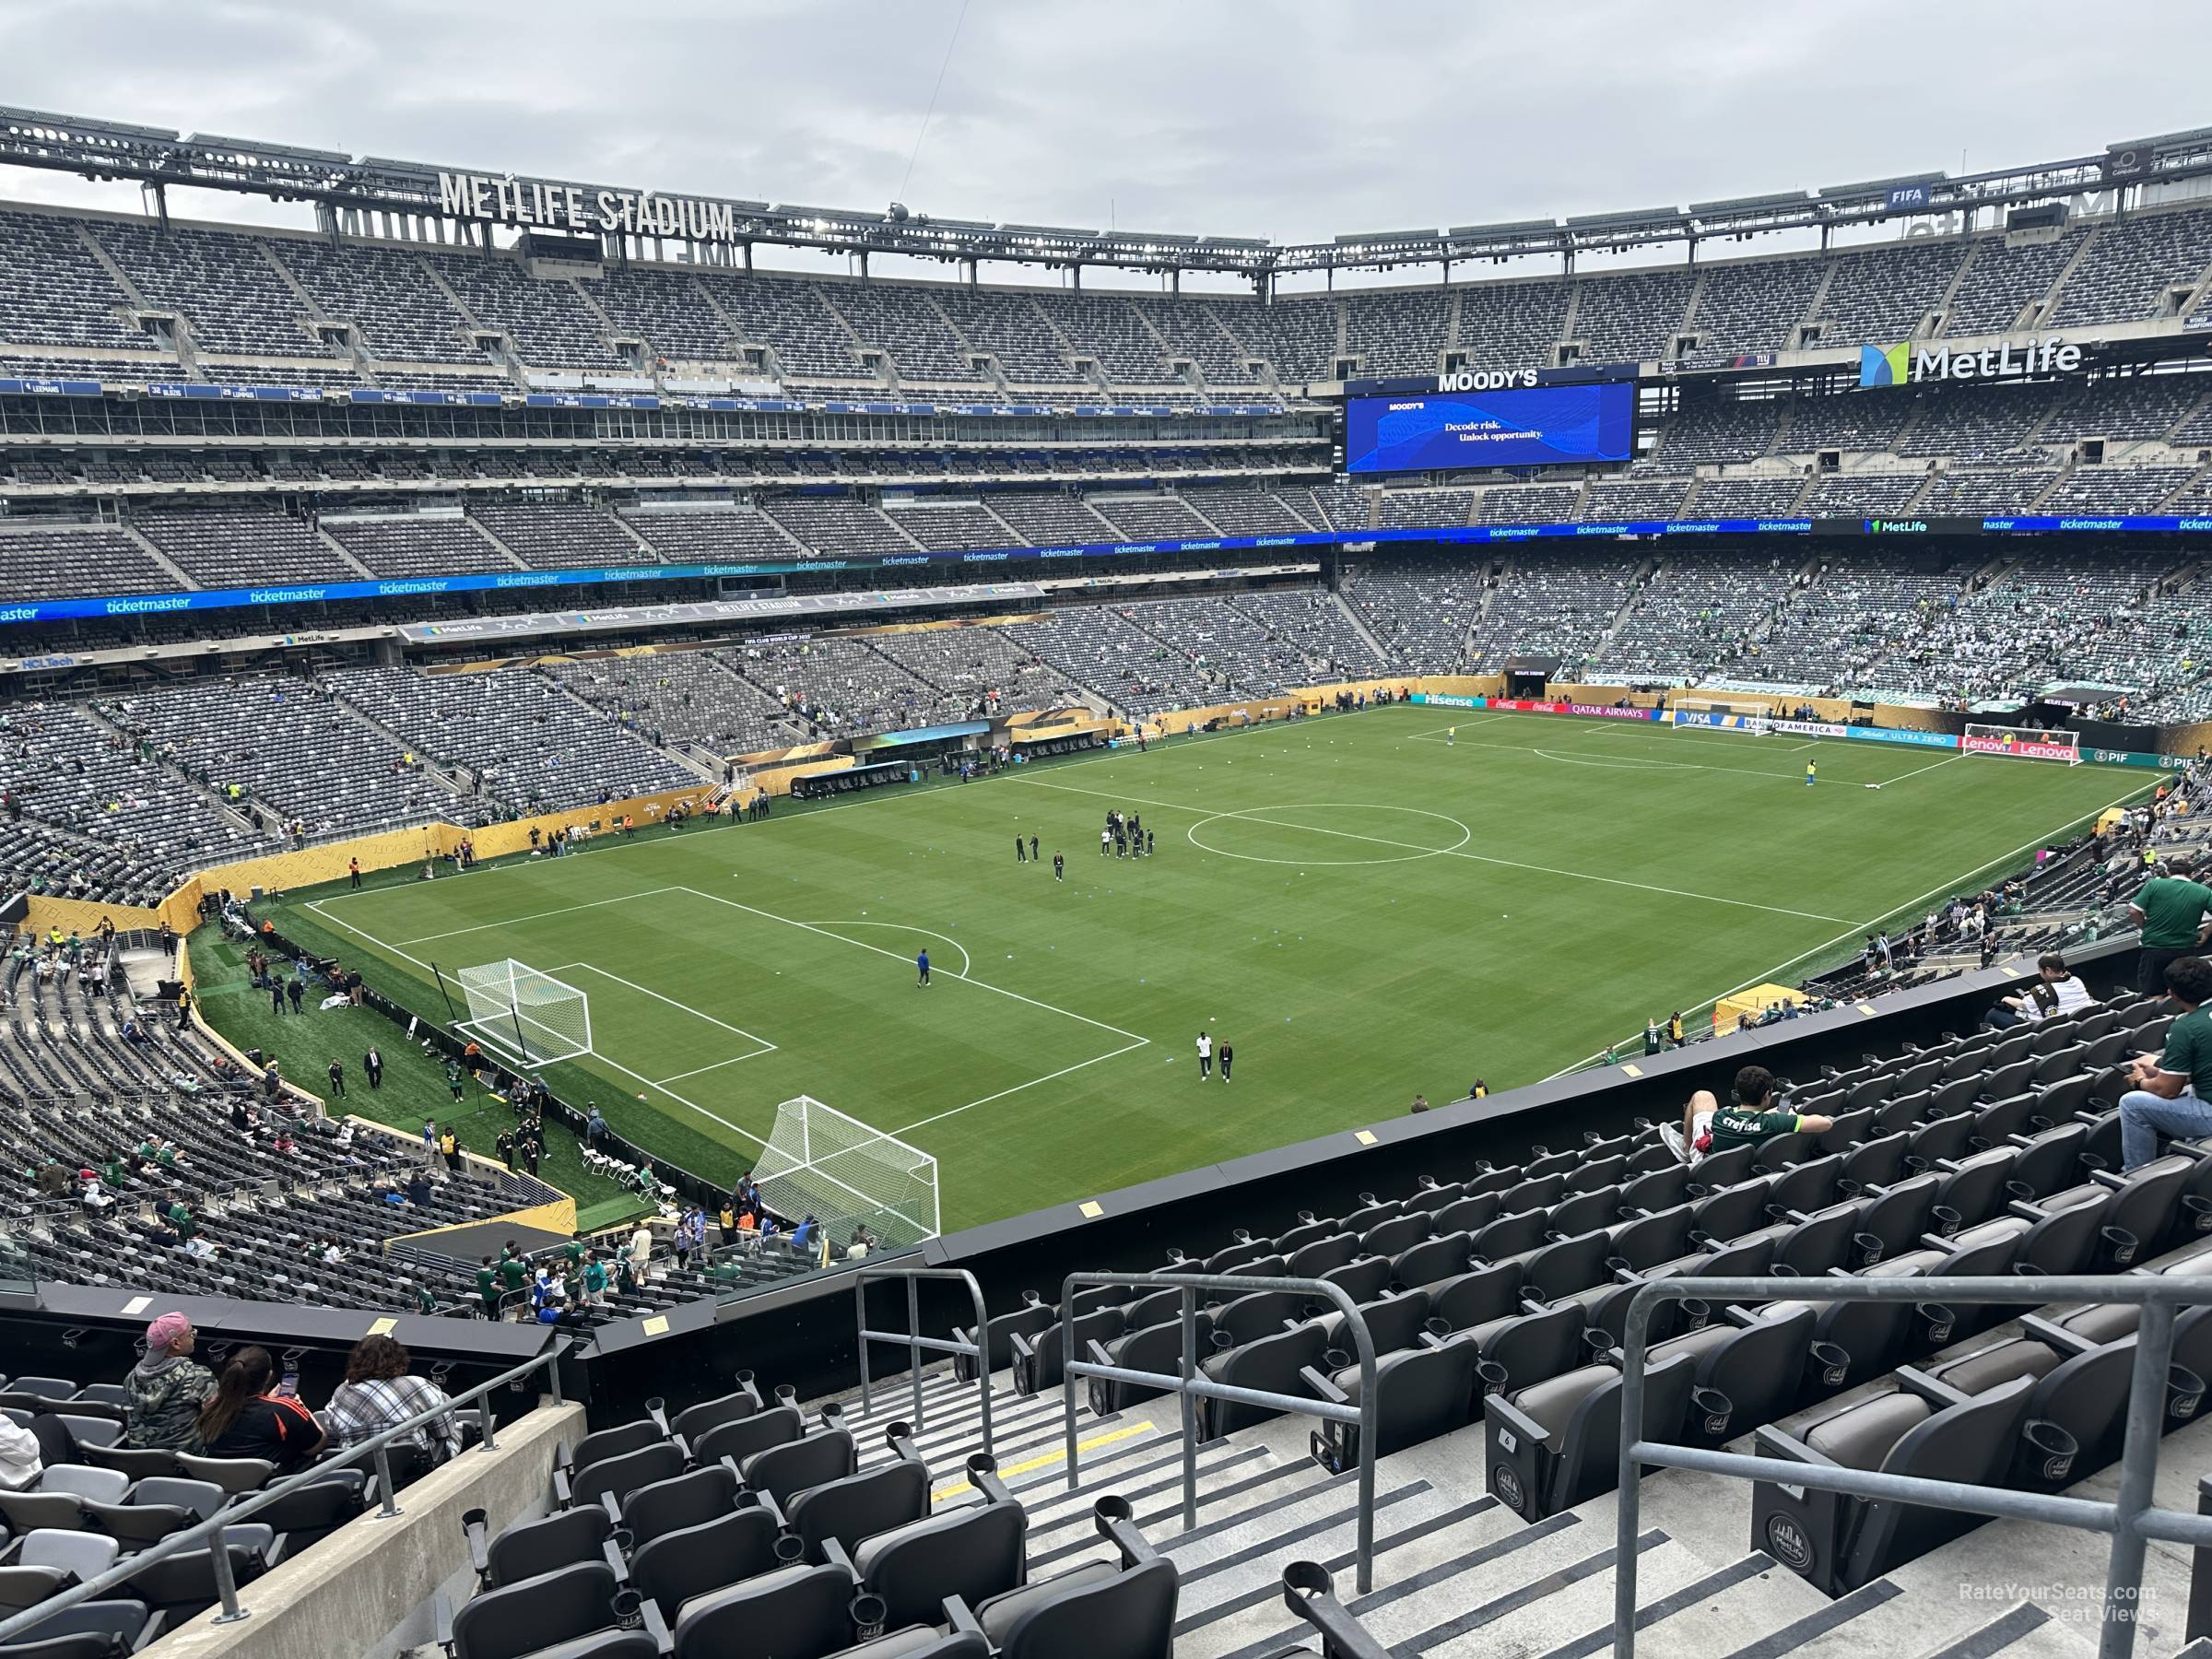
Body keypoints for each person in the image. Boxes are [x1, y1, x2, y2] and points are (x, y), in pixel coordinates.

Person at [2119, 954, 2212, 1171]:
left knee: (2131, 1104)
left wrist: (2139, 1081)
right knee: (2190, 1091)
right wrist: (2163, 1068)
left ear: (2173, 995)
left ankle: (2137, 1175)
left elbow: (2167, 1091)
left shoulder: (2185, 1027)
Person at [198, 1347, 325, 1469]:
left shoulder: (211, 1408)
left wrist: (268, 1401)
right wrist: (301, 1406)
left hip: (216, 1479)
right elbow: (316, 1447)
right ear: (269, 1376)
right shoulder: (284, 1410)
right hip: (276, 1482)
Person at [125, 1312, 216, 1452]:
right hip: (187, 1459)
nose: (193, 1338)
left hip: (136, 1458)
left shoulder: (132, 1377)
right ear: (175, 1343)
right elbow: (217, 1419)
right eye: (191, 1334)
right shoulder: (198, 1376)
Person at [2127, 852, 2212, 995]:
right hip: (2185, 949)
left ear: (2168, 873)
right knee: (2185, 991)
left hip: (2154, 948)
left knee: (2155, 995)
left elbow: (2133, 911)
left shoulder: (2154, 884)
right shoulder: (2204, 891)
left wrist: (2145, 927)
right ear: (2191, 875)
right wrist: (2205, 932)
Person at [1699, 1066, 1835, 1155]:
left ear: (1738, 1093)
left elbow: (1746, 1123)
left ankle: (1688, 1150)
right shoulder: (1774, 1122)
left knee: (1702, 1096)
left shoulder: (1720, 1116)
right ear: (1766, 1095)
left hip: (1711, 1166)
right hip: (1744, 1171)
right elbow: (1826, 1123)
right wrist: (1788, 1117)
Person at [1986, 951, 2095, 1030]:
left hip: (2044, 1029)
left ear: (2048, 971)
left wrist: (2007, 998)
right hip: (2073, 1025)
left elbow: (2022, 1005)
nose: (2040, 974)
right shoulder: (2076, 980)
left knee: (1992, 1014)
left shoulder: (2043, 991)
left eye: (2040, 971)